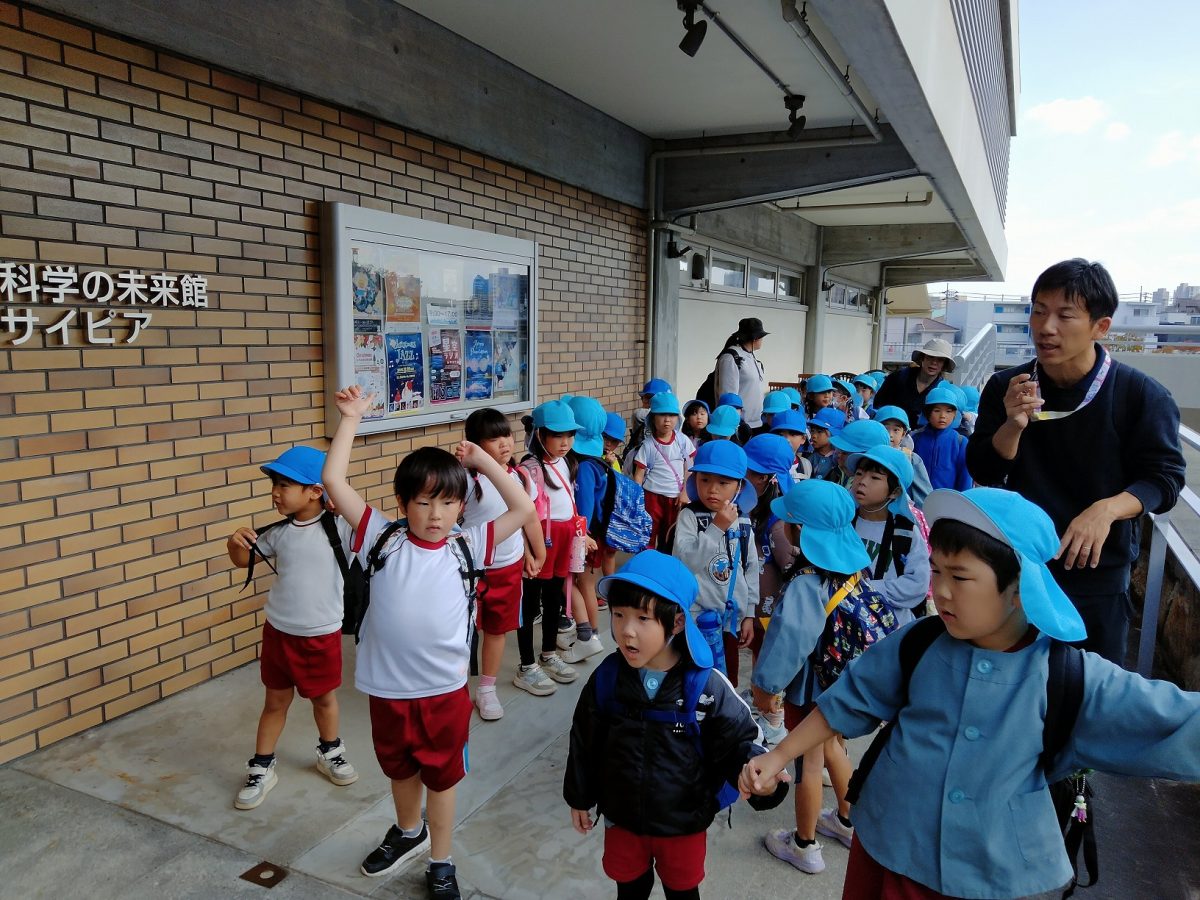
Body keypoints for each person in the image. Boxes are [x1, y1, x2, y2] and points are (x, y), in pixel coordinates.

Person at [742, 487, 1200, 899]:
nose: (939, 591)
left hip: (987, 875)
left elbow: (1174, 721)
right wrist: (779, 756)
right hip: (887, 846)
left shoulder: (1070, 678)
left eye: (959, 577)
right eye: (936, 571)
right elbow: (850, 700)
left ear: (1019, 587)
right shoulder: (921, 642)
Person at [322, 384, 534, 897]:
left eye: (448, 503)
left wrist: (483, 461)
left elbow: (524, 507)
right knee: (398, 769)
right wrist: (350, 419)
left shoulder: (469, 545)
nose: (436, 515)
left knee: (442, 778)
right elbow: (332, 480)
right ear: (402, 502)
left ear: (462, 506)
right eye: (423, 502)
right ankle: (408, 831)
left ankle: (442, 859)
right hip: (387, 690)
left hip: (443, 692)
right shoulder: (380, 537)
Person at [967, 259, 1186, 665]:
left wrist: (1107, 510)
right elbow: (984, 469)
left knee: (1091, 689)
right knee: (1013, 681)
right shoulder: (1007, 387)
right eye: (1038, 311)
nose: (1045, 327)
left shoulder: (1140, 395)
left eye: (1065, 316)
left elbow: (1165, 479)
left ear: (1100, 327)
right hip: (1019, 566)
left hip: (1096, 574)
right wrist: (1013, 425)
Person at [563, 551, 787, 900]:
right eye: (619, 615)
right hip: (622, 818)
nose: (627, 630)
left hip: (683, 823)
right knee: (629, 890)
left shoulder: (705, 687)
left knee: (682, 892)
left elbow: (739, 742)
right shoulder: (607, 678)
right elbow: (584, 740)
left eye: (643, 618)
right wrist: (579, 796)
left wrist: (762, 777)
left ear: (677, 622)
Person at [750, 479, 884, 875]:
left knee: (809, 762)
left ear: (800, 530)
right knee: (833, 749)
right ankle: (847, 821)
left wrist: (765, 689)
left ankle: (805, 845)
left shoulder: (806, 582)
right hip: (843, 681)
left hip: (813, 687)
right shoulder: (852, 568)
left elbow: (788, 642)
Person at [225, 445, 357, 811]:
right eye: (275, 485)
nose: (275, 493)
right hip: (279, 633)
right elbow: (243, 560)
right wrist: (235, 543)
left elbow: (373, 525)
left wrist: (341, 501)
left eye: (285, 485)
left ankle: (331, 751)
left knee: (324, 699)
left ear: (315, 491)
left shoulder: (342, 529)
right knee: (275, 702)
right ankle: (262, 766)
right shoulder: (279, 533)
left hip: (321, 635)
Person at [461, 408, 546, 721]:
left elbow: (529, 517)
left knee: (497, 631)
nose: (504, 443)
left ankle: (486, 689)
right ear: (475, 445)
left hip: (508, 568)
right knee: (461, 632)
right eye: (493, 438)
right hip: (470, 570)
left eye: (507, 435)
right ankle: (455, 689)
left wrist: (537, 552)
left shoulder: (520, 476)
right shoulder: (465, 480)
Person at [670, 440, 760, 682]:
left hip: (730, 620)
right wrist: (716, 528)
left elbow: (751, 568)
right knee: (694, 677)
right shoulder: (690, 516)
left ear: (739, 486)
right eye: (705, 480)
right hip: (695, 617)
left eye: (723, 483)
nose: (712, 489)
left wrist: (749, 614)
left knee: (725, 680)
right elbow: (685, 564)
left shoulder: (743, 521)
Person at [515, 399, 586, 695]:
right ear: (539, 434)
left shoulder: (567, 462)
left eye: (570, 434)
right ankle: (526, 665)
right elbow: (521, 515)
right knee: (530, 604)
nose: (565, 442)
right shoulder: (529, 470)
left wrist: (582, 534)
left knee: (555, 599)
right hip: (540, 540)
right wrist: (527, 552)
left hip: (564, 537)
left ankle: (548, 654)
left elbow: (569, 501)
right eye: (557, 435)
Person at [743, 433, 801, 744]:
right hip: (756, 601)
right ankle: (760, 701)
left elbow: (789, 565)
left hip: (770, 605)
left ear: (768, 479)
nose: (743, 477)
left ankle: (774, 720)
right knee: (759, 652)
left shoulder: (778, 521)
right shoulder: (751, 506)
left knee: (770, 660)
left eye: (751, 472)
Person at [845, 445, 930, 627]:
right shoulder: (844, 523)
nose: (862, 482)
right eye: (859, 474)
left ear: (895, 492)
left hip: (891, 627)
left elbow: (917, 584)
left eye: (875, 478)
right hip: (846, 623)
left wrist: (864, 589)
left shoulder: (905, 532)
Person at [562, 395, 611, 664]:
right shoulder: (597, 463)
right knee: (585, 584)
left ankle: (590, 636)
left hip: (587, 536)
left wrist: (582, 536)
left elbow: (585, 508)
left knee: (584, 585)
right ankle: (591, 635)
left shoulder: (584, 468)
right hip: (595, 535)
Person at [632, 392, 695, 549]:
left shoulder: (682, 441)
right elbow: (639, 475)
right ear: (653, 418)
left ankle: (664, 562)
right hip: (651, 496)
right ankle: (646, 562)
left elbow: (689, 467)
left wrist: (686, 492)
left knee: (669, 537)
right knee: (648, 535)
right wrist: (637, 500)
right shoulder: (648, 445)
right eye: (662, 415)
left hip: (676, 497)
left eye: (672, 415)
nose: (667, 420)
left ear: (678, 418)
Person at [873, 338, 955, 429]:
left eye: (940, 360)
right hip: (891, 431)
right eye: (930, 357)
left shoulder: (943, 390)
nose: (934, 362)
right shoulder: (898, 377)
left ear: (944, 364)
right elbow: (878, 405)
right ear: (922, 358)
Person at [911, 385, 971, 492]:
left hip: (947, 499)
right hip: (918, 497)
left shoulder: (960, 442)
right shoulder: (915, 438)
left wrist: (962, 499)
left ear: (954, 415)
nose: (943, 416)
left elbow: (965, 477)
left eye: (948, 411)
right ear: (927, 413)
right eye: (937, 410)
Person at [715, 317, 769, 429]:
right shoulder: (731, 358)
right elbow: (728, 395)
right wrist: (734, 423)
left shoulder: (750, 357)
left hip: (756, 423)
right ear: (755, 338)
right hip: (740, 425)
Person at [874, 404, 932, 507]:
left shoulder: (911, 459)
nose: (890, 434)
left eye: (896, 430)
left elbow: (923, 494)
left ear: (903, 434)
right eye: (885, 428)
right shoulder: (868, 455)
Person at [622, 377, 671, 468]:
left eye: (651, 398)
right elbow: (639, 414)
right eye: (645, 398)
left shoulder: (671, 419)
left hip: (662, 463)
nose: (646, 402)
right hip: (640, 461)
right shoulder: (640, 415)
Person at [769, 408, 812, 481]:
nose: (786, 439)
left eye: (792, 434)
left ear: (803, 439)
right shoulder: (764, 463)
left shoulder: (805, 465)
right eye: (780, 435)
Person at [804, 407, 844, 482]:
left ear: (832, 433)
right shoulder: (810, 457)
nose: (814, 435)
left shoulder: (839, 459)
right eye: (812, 430)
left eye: (819, 431)